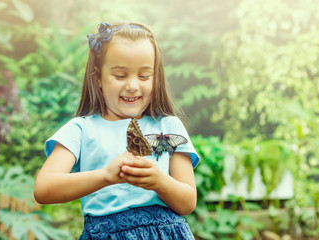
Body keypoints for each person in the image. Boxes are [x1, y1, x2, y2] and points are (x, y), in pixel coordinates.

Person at [34, 21, 200, 240]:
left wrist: (159, 181)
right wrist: (106, 176)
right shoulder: (81, 130)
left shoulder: (168, 127)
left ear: (155, 77)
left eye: (144, 76)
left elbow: (188, 202)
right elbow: (44, 189)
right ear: (99, 77)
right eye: (120, 75)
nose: (132, 85)